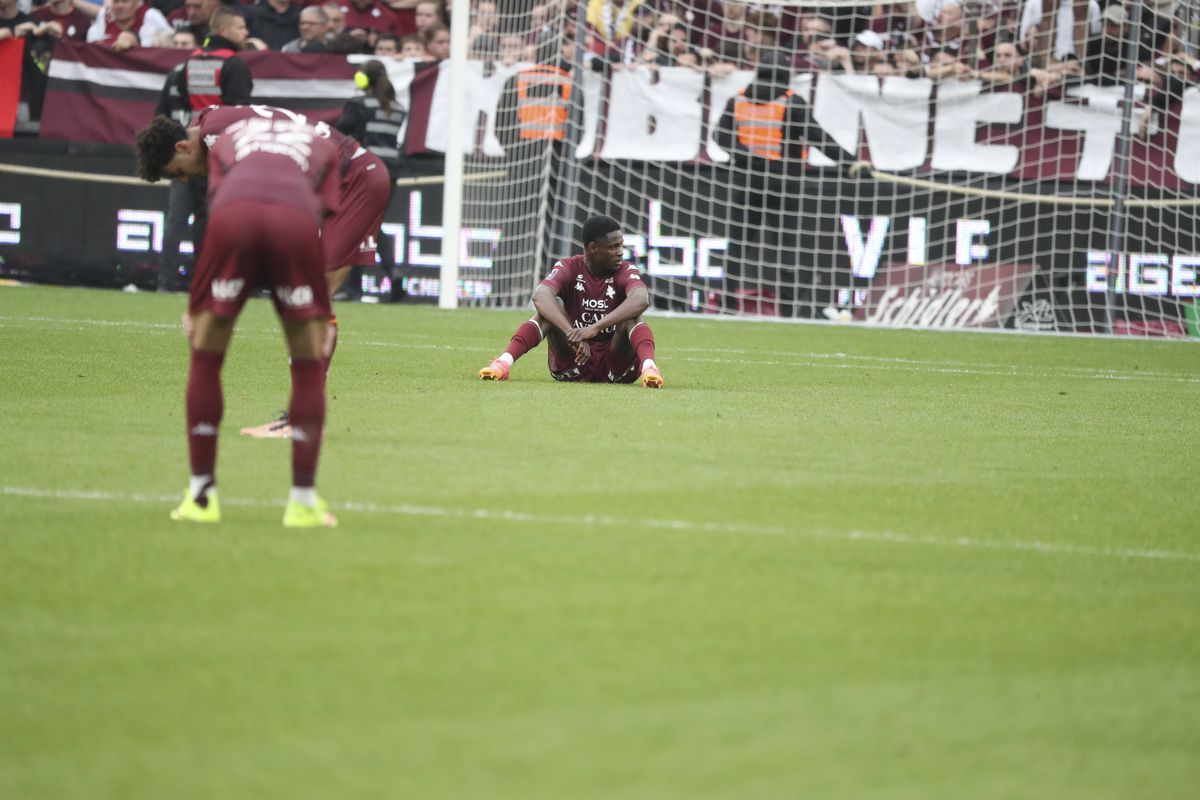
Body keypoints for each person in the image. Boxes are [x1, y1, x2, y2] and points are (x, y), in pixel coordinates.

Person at [133, 114, 341, 527]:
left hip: (234, 217)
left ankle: (201, 497)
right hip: (294, 222)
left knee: (206, 353)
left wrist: (196, 307)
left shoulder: (225, 136)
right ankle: (302, 502)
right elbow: (326, 210)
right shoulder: (324, 145)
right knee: (307, 360)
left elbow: (218, 201)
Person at [141, 104, 390, 438]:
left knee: (314, 299)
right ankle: (300, 416)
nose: (185, 179)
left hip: (353, 179)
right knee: (313, 300)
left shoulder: (217, 139)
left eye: (177, 173)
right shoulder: (208, 121)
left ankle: (298, 420)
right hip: (347, 175)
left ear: (182, 147)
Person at [714, 52, 847, 318]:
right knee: (786, 247)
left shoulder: (738, 99)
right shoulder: (791, 101)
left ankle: (726, 306)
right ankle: (787, 311)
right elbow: (818, 137)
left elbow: (720, 136)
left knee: (738, 245)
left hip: (746, 182)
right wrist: (850, 162)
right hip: (783, 183)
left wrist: (748, 157)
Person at [478, 215, 664, 388]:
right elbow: (540, 295)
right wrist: (572, 335)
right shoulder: (569, 267)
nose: (620, 253)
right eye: (613, 247)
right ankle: (502, 364)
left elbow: (641, 299)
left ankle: (649, 368)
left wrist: (595, 327)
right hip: (572, 363)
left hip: (617, 368)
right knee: (550, 310)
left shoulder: (625, 269)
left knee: (632, 315)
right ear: (593, 248)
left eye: (621, 246)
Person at [154, 5, 252, 292]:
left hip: (194, 142)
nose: (245, 33)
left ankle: (172, 281)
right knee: (215, 217)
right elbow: (239, 112)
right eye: (240, 28)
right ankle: (216, 279)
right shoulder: (234, 63)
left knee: (186, 217)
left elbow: (183, 101)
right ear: (223, 31)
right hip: (221, 150)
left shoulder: (191, 61)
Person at [86, 0, 171, 49]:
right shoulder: (105, 16)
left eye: (125, 1)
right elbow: (92, 49)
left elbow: (171, 42)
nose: (120, 6)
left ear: (136, 4)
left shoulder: (150, 15)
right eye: (116, 1)